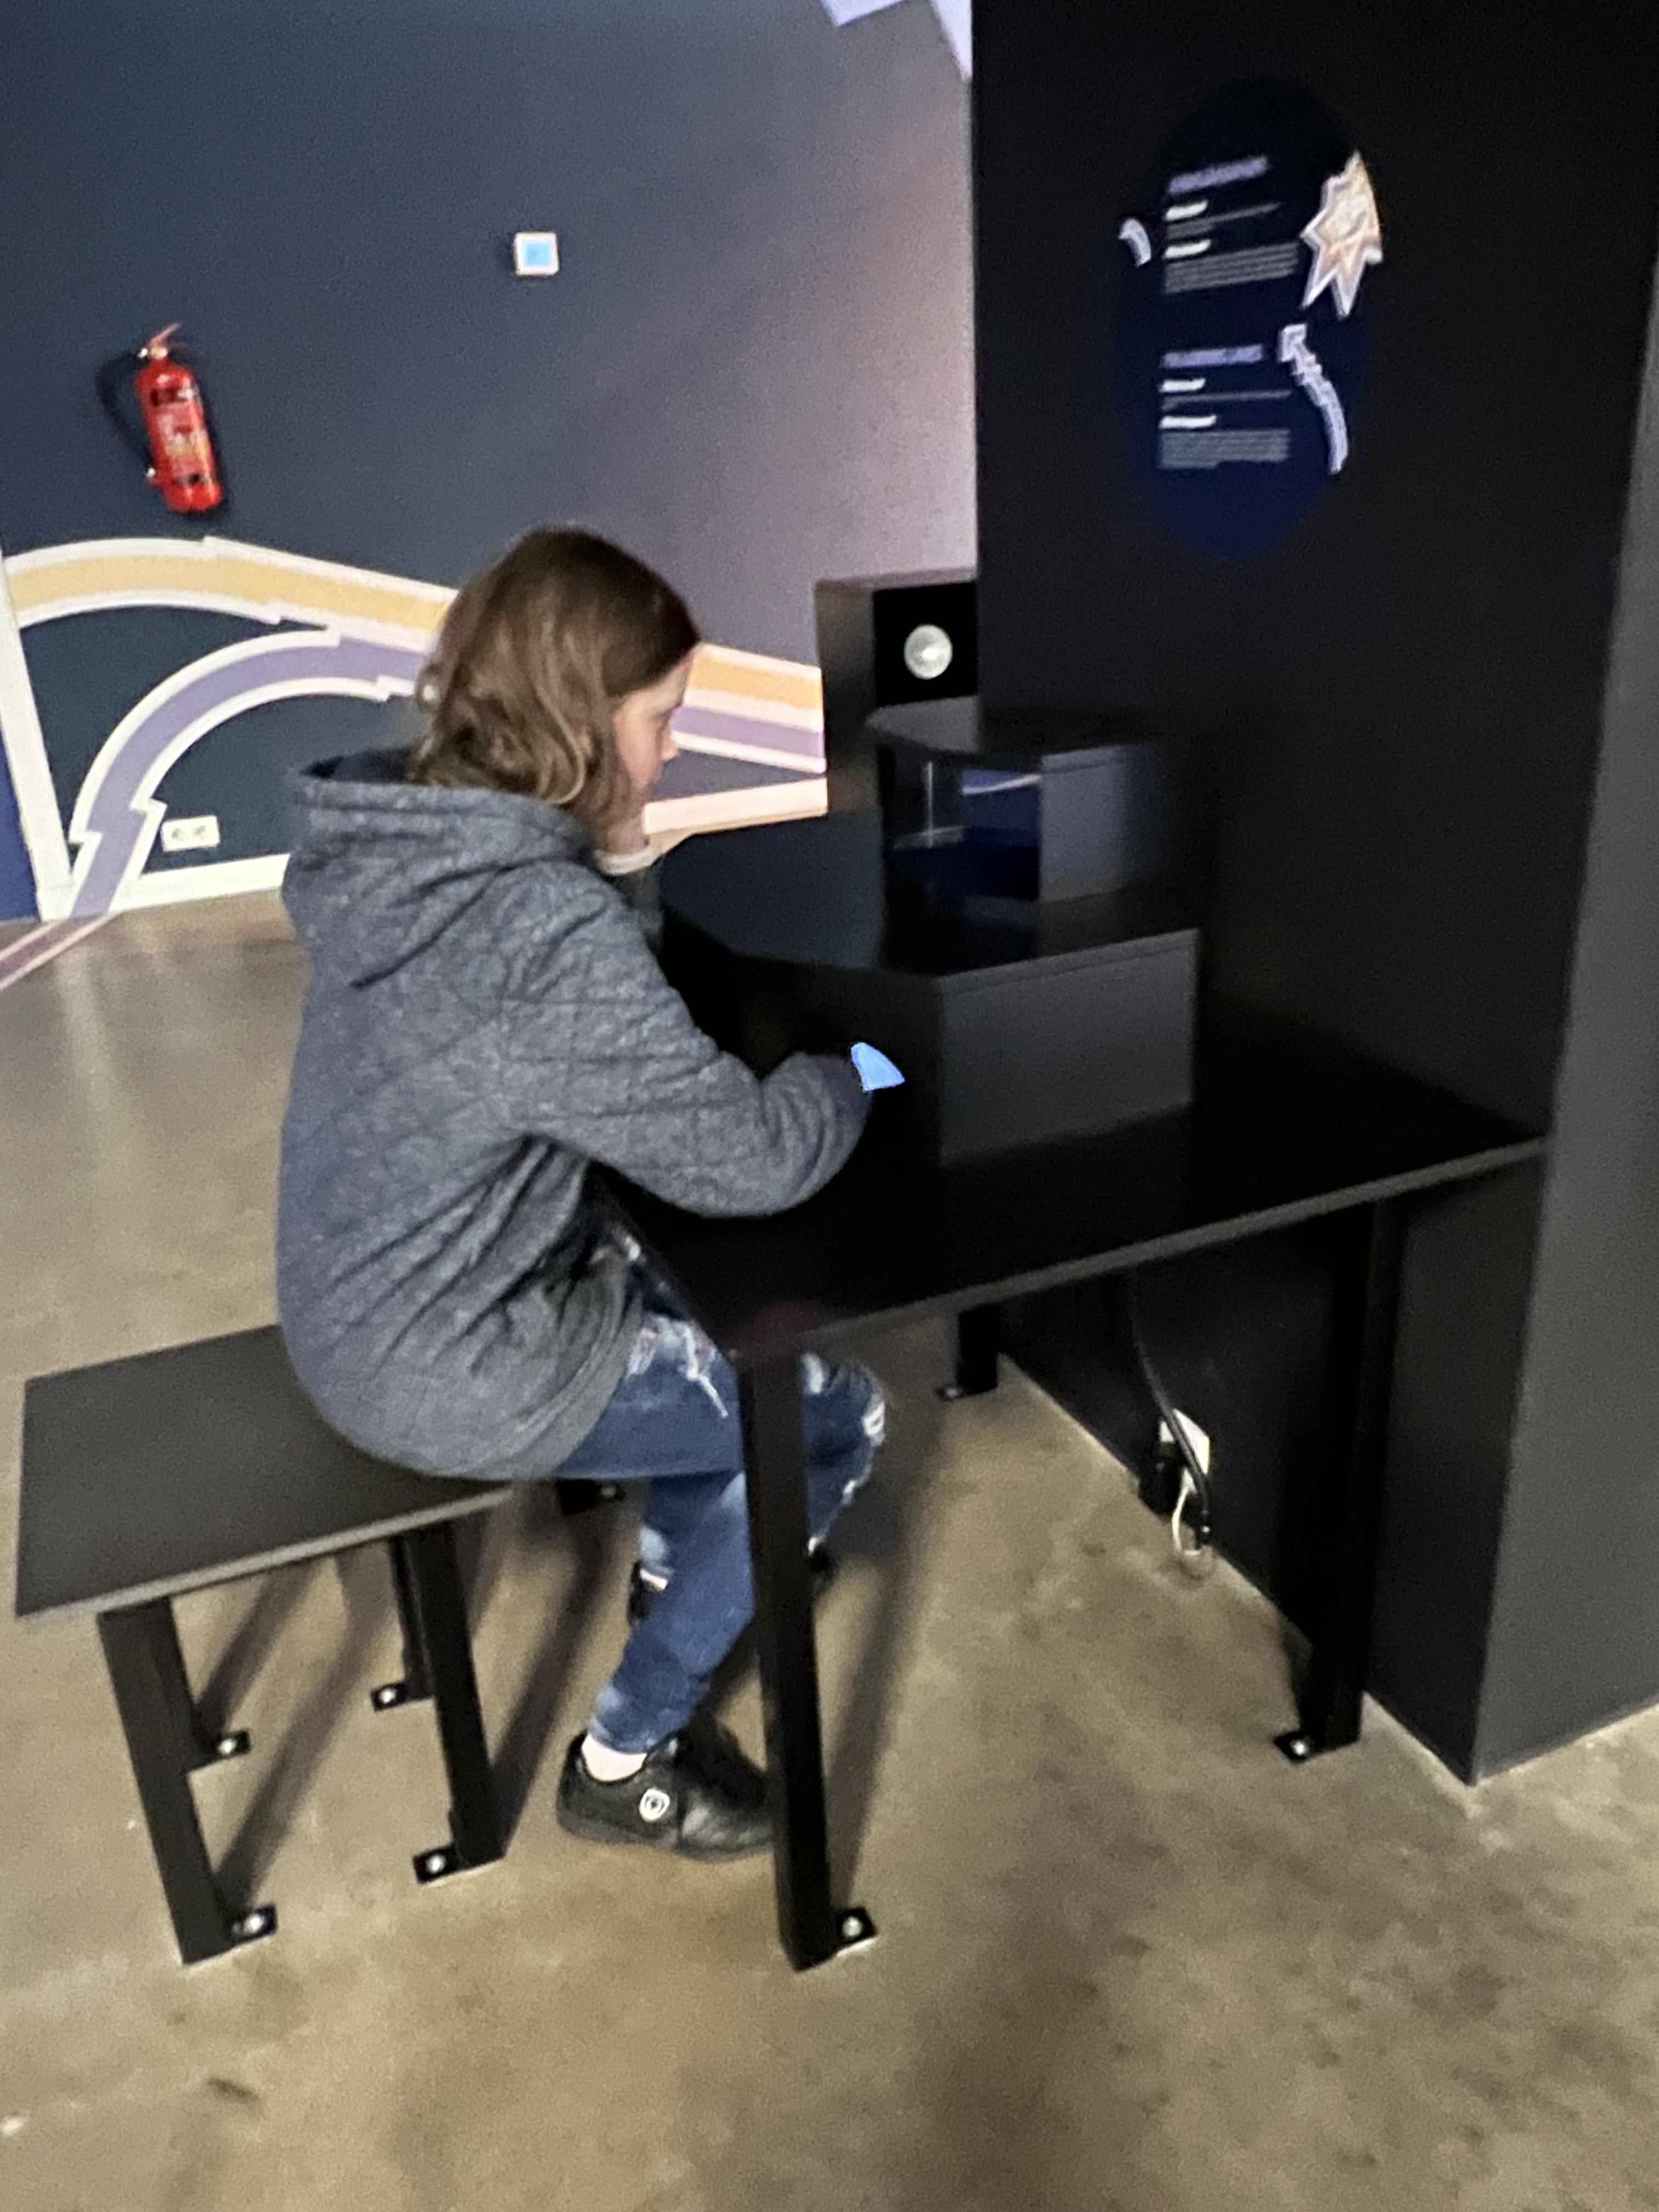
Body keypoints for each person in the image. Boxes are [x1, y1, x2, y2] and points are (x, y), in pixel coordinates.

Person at [276, 527, 884, 1861]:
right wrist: (860, 1071)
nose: (671, 754)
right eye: (660, 722)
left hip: (356, 1306)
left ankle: (682, 1570)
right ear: (582, 723)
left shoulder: (413, 851)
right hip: (449, 1362)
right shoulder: (533, 934)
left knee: (706, 1310)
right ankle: (630, 1756)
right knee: (832, 1422)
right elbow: (751, 1159)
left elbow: (598, 1033)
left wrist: (614, 853)